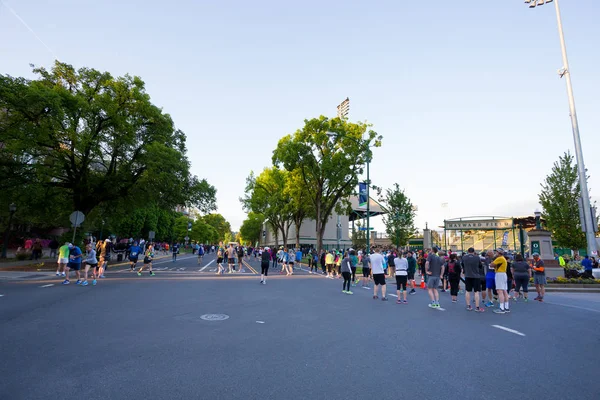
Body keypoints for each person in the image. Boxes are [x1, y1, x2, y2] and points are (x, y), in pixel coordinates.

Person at [462, 248, 484, 312]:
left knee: (468, 291)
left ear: (468, 251)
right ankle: (477, 307)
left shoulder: (464, 257)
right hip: (476, 276)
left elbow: (462, 265)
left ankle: (468, 305)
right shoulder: (477, 258)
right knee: (476, 291)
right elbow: (480, 266)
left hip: (468, 275)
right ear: (474, 251)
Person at [490, 249, 509, 314]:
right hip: (503, 274)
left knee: (499, 291)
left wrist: (493, 260)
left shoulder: (499, 258)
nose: (495, 253)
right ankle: (506, 307)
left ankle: (501, 308)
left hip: (499, 274)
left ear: (499, 253)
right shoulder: (503, 258)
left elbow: (491, 265)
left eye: (496, 252)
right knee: (504, 291)